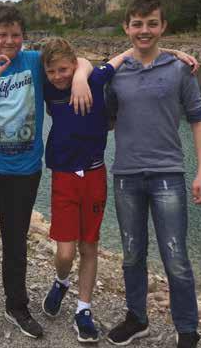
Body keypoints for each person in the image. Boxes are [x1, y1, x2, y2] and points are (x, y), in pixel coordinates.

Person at [0, 5, 94, 339]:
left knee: (16, 244)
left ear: (24, 37)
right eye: (2, 35)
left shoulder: (34, 62)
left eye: (15, 34)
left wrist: (81, 77)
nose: (10, 41)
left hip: (23, 173)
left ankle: (17, 306)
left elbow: (77, 60)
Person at [105, 0, 201, 348]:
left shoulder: (180, 69)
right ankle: (137, 318)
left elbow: (198, 119)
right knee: (132, 253)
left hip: (168, 174)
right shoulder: (116, 73)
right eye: (137, 24)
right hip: (126, 175)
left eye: (152, 23)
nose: (144, 31)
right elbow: (105, 118)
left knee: (175, 256)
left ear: (163, 27)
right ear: (126, 27)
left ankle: (187, 329)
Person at [40, 37, 132, 343]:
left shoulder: (95, 80)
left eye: (64, 69)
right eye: (52, 71)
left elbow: (124, 54)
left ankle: (83, 310)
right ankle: (61, 280)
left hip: (94, 175)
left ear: (73, 63)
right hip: (64, 176)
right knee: (65, 252)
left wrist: (176, 52)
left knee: (89, 246)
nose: (58, 76)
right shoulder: (49, 88)